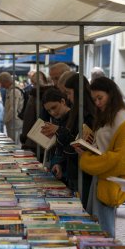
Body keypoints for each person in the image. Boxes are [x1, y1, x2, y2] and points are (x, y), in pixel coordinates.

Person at [74, 77, 125, 238]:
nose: (97, 103)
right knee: (98, 228)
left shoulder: (123, 119)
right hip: (101, 179)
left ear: (111, 94)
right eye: (94, 99)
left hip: (109, 181)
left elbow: (122, 159)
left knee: (104, 231)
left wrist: (87, 160)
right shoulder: (108, 116)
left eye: (100, 98)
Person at [41, 73, 95, 208]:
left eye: (69, 93)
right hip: (73, 169)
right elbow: (69, 142)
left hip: (84, 170)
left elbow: (75, 140)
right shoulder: (75, 113)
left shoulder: (86, 114)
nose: (69, 97)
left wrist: (58, 131)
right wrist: (60, 162)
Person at [41, 87, 71, 177]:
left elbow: (71, 142)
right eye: (49, 111)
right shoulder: (57, 119)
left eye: (54, 107)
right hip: (60, 164)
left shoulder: (72, 118)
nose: (53, 112)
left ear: (63, 101)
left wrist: (58, 130)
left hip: (70, 168)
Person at [0, 72, 24, 144]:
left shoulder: (14, 91)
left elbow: (13, 109)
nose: (2, 86)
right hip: (12, 122)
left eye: (1, 83)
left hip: (15, 122)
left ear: (6, 82)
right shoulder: (11, 90)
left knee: (15, 143)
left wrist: (5, 120)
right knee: (12, 143)